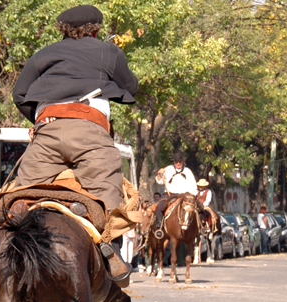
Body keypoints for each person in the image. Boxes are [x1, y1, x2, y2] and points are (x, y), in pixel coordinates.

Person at [11, 4, 139, 281]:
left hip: (47, 132)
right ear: (95, 28)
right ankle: (109, 250)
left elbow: (19, 93)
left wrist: (38, 121)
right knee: (108, 192)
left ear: (63, 30)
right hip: (89, 134)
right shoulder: (108, 51)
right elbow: (131, 87)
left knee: (20, 193)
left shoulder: (44, 54)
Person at [153, 152, 199, 233]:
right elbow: (159, 181)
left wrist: (192, 195)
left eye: (180, 161)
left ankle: (199, 228)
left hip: (185, 195)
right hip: (171, 194)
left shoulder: (188, 171)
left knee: (200, 207)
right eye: (176, 161)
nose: (178, 163)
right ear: (173, 162)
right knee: (159, 207)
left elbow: (194, 186)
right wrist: (159, 174)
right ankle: (159, 228)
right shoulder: (168, 169)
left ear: (183, 161)